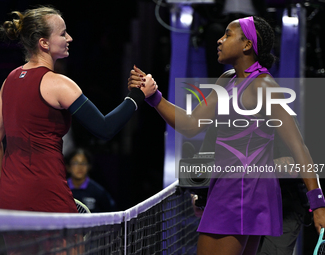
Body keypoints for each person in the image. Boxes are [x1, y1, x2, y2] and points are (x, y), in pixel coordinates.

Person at [128, 16, 325, 255]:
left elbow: (298, 147)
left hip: (241, 193)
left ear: (247, 45)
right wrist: (154, 96)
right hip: (232, 190)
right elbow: (191, 124)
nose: (219, 40)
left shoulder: (264, 87)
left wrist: (318, 204)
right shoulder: (227, 80)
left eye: (228, 35)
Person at [0, 6, 157, 213]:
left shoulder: (9, 80)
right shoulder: (60, 84)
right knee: (74, 247)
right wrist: (138, 95)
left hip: (9, 198)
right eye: (62, 33)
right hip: (47, 195)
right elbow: (104, 128)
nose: (70, 38)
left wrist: (0, 187)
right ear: (44, 43)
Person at [193, 123, 309, 255]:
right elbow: (204, 166)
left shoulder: (277, 117)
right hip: (239, 204)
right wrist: (197, 196)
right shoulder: (219, 122)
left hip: (284, 206)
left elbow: (290, 168)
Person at [66, 148, 117, 213]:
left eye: (83, 163)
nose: (80, 167)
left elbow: (111, 212)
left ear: (89, 167)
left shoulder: (99, 192)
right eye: (75, 163)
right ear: (68, 167)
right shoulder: (61, 190)